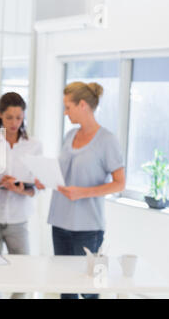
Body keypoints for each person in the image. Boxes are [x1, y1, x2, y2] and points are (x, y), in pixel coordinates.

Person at [35, 82, 126, 299]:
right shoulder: (70, 135)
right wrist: (45, 179)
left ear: (82, 104)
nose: (65, 113)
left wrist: (82, 193)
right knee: (66, 288)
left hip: (87, 227)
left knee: (89, 289)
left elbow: (119, 183)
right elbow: (63, 173)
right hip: (60, 222)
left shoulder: (107, 140)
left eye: (68, 107)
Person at [0, 92, 42, 299]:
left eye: (19, 118)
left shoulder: (34, 145)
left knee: (24, 273)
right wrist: (1, 183)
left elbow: (34, 187)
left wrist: (20, 188)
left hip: (19, 218)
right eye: (9, 117)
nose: (14, 123)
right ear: (0, 114)